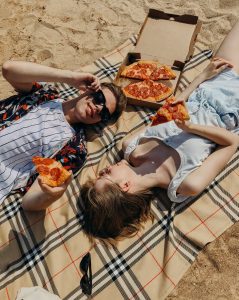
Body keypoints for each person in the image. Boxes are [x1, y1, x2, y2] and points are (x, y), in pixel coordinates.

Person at [79, 21, 239, 244]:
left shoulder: (130, 146)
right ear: (125, 187)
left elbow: (170, 109)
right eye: (105, 176)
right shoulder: (185, 184)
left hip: (210, 85)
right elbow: (232, 142)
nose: (104, 169)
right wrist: (191, 128)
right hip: (233, 108)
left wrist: (202, 76)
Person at [0, 60, 127, 208]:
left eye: (104, 113)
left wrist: (51, 195)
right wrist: (69, 77)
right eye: (99, 98)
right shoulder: (45, 95)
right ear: (87, 90)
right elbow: (9, 69)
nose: (98, 108)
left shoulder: (74, 149)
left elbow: (29, 202)